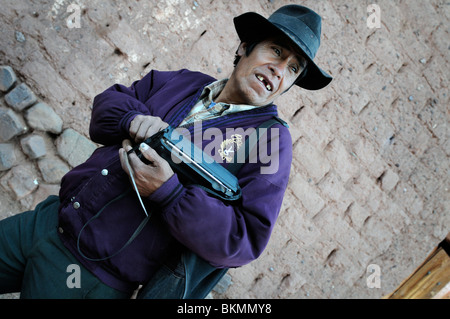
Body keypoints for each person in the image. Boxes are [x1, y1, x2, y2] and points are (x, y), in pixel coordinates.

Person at [0, 5, 331, 298]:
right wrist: (132, 119)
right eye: (275, 50)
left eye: (293, 68)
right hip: (45, 223)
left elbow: (244, 239)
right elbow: (107, 107)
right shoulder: (185, 81)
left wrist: (170, 195)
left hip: (89, 277)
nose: (279, 68)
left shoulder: (270, 141)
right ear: (246, 45)